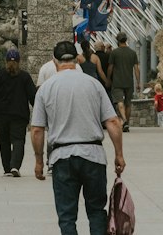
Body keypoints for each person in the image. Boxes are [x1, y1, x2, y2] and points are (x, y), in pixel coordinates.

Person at [30, 39, 125, 235]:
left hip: (62, 157)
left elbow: (37, 129)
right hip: (93, 155)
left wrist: (39, 161)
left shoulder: (46, 89)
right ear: (77, 60)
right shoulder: (94, 85)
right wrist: (119, 154)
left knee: (66, 216)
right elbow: (113, 122)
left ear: (54, 61)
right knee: (97, 211)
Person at [0, 46, 36, 176]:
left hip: (1, 113)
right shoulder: (24, 76)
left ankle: (7, 168)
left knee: (4, 142)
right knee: (18, 140)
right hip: (19, 114)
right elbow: (33, 95)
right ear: (19, 61)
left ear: (5, 61)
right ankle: (15, 166)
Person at [108, 33, 139, 130]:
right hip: (129, 81)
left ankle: (124, 120)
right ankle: (127, 123)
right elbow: (136, 68)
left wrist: (108, 78)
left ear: (117, 40)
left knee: (120, 102)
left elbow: (110, 67)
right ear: (126, 40)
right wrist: (138, 82)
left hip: (117, 82)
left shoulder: (114, 53)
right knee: (128, 103)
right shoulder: (132, 53)